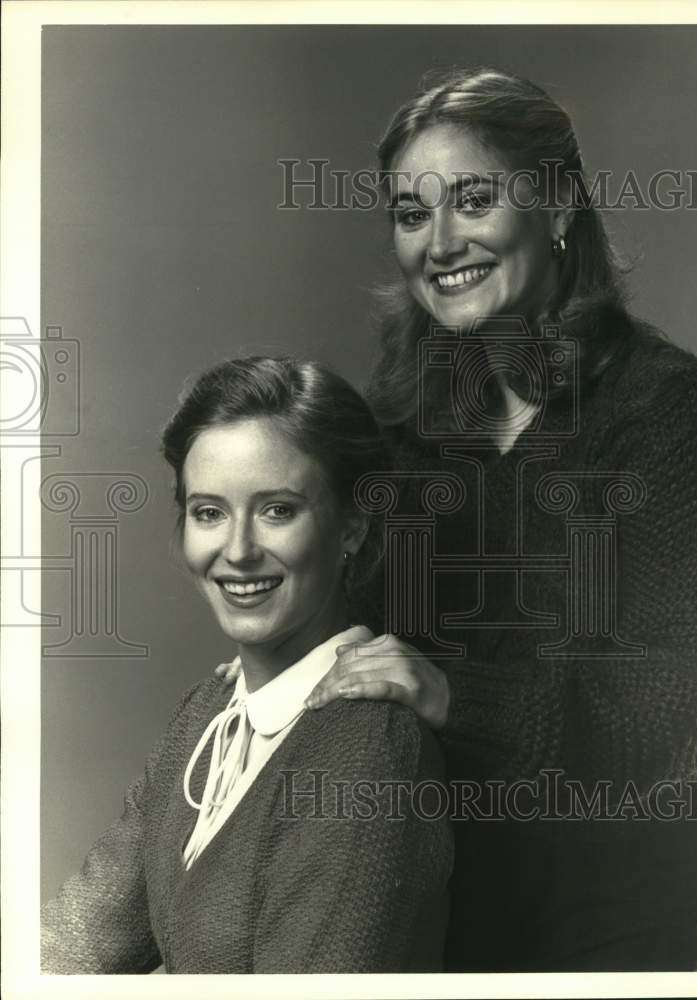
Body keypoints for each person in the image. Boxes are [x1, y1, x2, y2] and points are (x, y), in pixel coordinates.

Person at [289, 69, 697, 970]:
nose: (440, 242)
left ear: (559, 205)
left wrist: (451, 696)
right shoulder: (401, 425)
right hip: (443, 896)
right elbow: (359, 646)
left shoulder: (663, 404)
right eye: (412, 214)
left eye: (472, 200)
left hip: (624, 903)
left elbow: (661, 724)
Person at [41, 356, 453, 974]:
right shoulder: (205, 718)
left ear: (352, 526)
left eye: (277, 510)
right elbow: (67, 949)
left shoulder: (368, 746)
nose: (237, 552)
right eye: (209, 513)